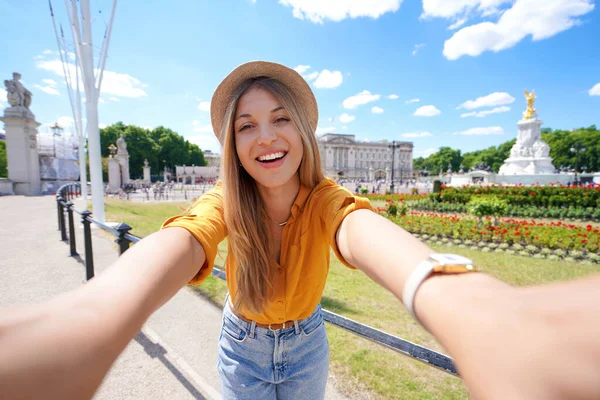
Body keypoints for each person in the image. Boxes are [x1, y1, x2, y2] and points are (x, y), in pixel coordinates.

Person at [1, 61, 600, 400]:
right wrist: (98, 312)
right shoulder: (224, 201)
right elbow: (184, 240)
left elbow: (361, 230)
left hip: (307, 344)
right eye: (247, 126)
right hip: (244, 349)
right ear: (231, 145)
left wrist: (455, 295)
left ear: (306, 134)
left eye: (281, 119)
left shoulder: (324, 199)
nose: (266, 137)